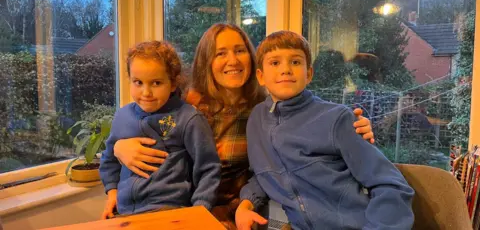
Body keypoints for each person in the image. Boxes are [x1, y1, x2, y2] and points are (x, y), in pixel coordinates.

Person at [112, 23, 375, 228]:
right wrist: (117, 148)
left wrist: (354, 125)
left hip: (249, 204)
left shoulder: (264, 108)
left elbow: (308, 116)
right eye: (220, 53)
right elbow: (142, 120)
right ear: (207, 61)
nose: (233, 61)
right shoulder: (187, 105)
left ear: (252, 61)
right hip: (187, 205)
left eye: (239, 51)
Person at [235, 30, 414, 230]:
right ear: (260, 76)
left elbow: (391, 185)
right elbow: (265, 173)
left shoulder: (337, 118)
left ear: (309, 73)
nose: (285, 69)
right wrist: (246, 203)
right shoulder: (257, 120)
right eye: (275, 63)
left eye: (295, 62)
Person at [99, 41, 221, 219]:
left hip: (170, 211)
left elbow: (209, 168)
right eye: (138, 82)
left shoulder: (188, 118)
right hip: (124, 213)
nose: (146, 92)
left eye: (156, 83)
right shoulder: (122, 116)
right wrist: (112, 193)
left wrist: (200, 209)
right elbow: (109, 159)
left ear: (172, 84)